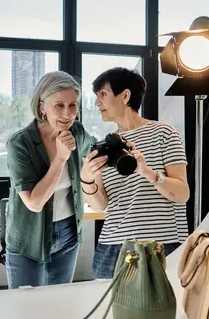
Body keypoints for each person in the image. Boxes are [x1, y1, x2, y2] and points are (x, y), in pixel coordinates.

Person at [2, 71, 98, 319]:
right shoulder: (20, 143)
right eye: (60, 106)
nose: (68, 114)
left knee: (58, 317)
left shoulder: (78, 133)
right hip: (28, 241)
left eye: (73, 106)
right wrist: (60, 158)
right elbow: (33, 202)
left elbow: (94, 157)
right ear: (42, 105)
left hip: (67, 236)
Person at [80, 67, 190, 279]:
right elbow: (100, 205)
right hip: (112, 247)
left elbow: (182, 194)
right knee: (110, 312)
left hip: (159, 244)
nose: (97, 103)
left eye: (103, 94)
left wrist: (147, 172)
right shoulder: (104, 146)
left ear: (126, 96)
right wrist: (87, 178)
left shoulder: (163, 133)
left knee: (163, 311)